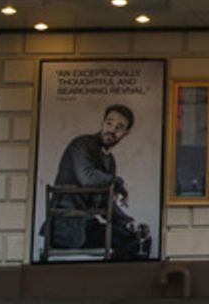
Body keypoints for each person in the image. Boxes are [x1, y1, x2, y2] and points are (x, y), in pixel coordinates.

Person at [49, 104, 149, 260]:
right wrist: (118, 182)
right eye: (109, 123)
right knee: (132, 244)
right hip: (66, 228)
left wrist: (128, 223)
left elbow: (104, 200)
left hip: (86, 226)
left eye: (119, 127)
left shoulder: (109, 161)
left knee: (140, 239)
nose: (112, 130)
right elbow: (87, 178)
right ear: (102, 123)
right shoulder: (80, 145)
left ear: (126, 133)